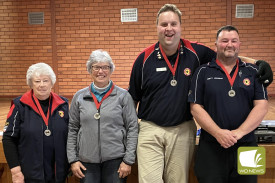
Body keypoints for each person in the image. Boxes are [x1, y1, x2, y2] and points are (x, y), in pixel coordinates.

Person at [128, 4, 272, 183]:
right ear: (156, 27)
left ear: (181, 27)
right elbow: (133, 99)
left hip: (243, 140)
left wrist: (259, 63)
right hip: (192, 137)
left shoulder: (199, 53)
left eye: (173, 24)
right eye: (164, 24)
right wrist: (130, 135)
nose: (169, 29)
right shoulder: (146, 59)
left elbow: (228, 57)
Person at [188, 25, 268, 183]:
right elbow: (195, 108)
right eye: (224, 41)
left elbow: (262, 106)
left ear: (239, 44)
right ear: (216, 45)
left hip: (247, 145)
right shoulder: (202, 72)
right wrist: (218, 133)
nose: (229, 44)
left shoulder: (253, 71)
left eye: (234, 41)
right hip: (211, 145)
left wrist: (239, 132)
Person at [67, 49, 138, 183]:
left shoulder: (123, 96)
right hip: (86, 161)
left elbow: (133, 128)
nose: (101, 71)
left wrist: (128, 160)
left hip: (116, 160)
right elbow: (72, 129)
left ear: (111, 70)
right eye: (96, 67)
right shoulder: (79, 97)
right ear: (90, 69)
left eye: (105, 67)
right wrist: (73, 160)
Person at [2, 63, 69, 183]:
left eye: (45, 80)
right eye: (37, 81)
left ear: (52, 82)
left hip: (58, 173)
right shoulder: (19, 105)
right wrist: (16, 172)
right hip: (30, 174)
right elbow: (8, 139)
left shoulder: (63, 105)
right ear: (31, 84)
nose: (42, 85)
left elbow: (71, 136)